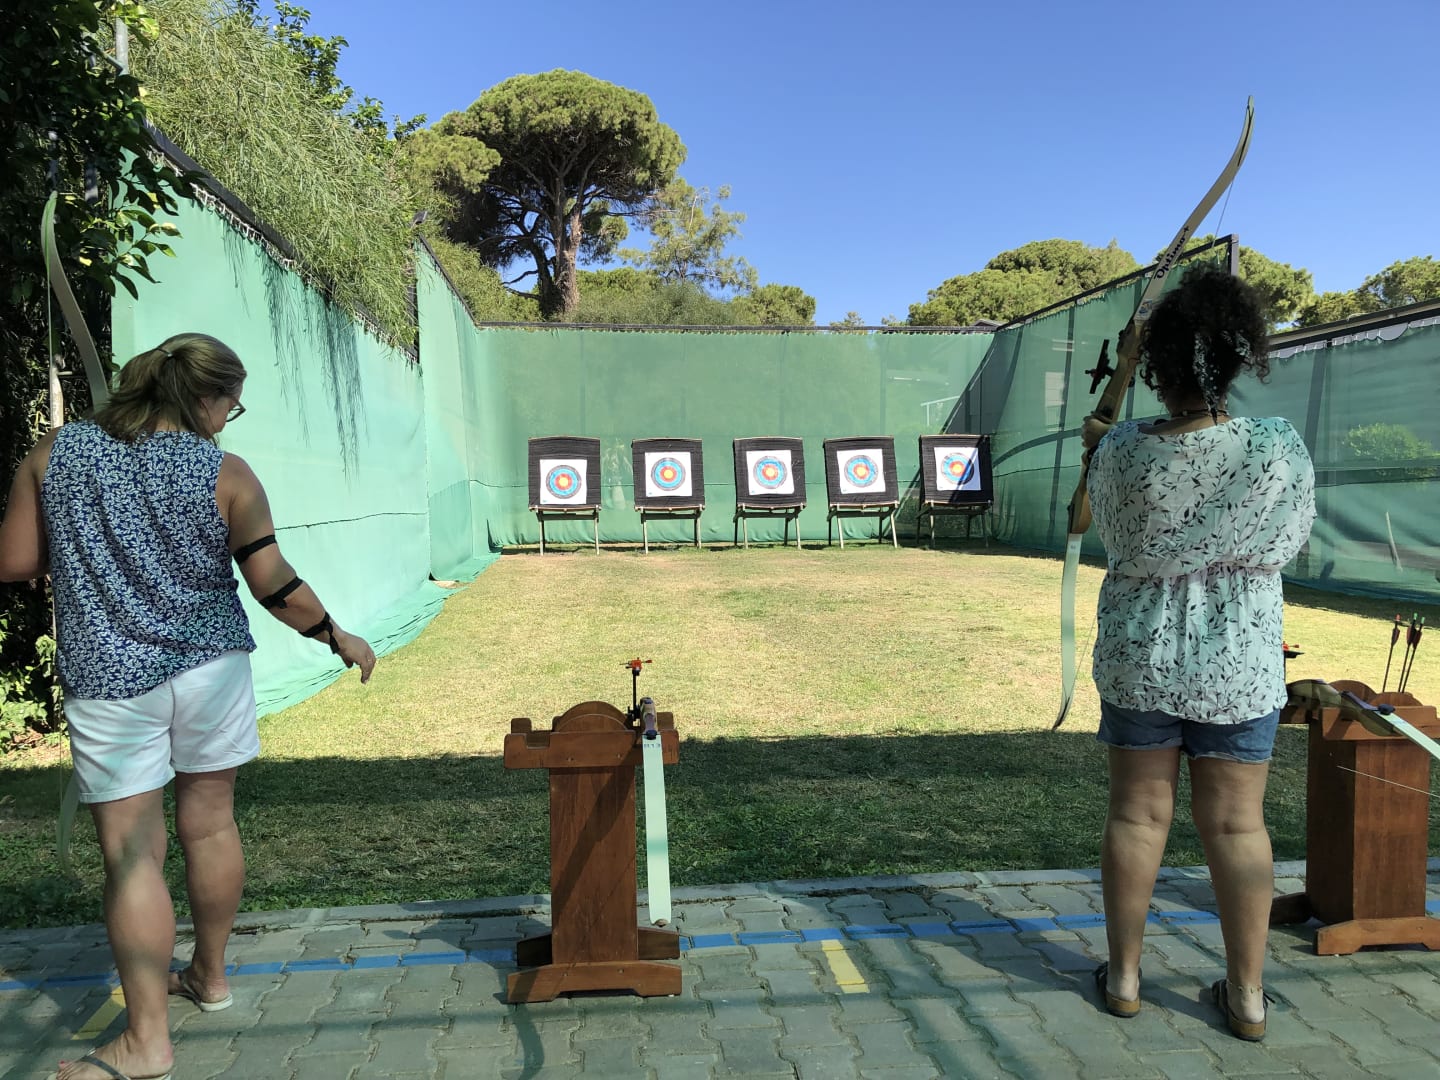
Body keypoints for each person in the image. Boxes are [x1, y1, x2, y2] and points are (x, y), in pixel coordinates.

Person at [0, 333, 377, 1080]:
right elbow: (272, 584)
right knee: (210, 825)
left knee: (132, 854)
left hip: (111, 677)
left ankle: (147, 1039)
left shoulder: (55, 453)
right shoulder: (226, 473)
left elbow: (15, 561)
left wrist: (84, 541)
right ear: (205, 397)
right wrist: (337, 635)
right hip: (211, 673)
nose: (229, 419)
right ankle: (209, 977)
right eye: (231, 405)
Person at [1080, 267, 1315, 1041]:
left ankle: (1123, 979)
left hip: (1142, 656)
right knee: (1239, 826)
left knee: (1137, 814)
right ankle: (1247, 997)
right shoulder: (1275, 446)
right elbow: (1288, 538)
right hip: (1238, 662)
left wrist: (1099, 448)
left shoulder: (1122, 449)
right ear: (1240, 355)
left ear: (1157, 364)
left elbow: (1110, 534)